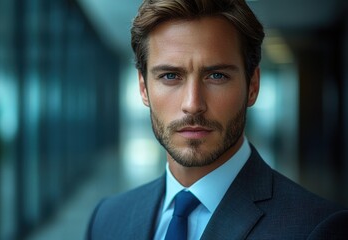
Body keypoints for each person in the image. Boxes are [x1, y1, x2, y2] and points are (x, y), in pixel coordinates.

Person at [87, 0, 348, 239]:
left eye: (216, 76)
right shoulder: (107, 219)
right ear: (144, 89)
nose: (192, 104)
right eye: (170, 76)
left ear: (253, 86)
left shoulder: (316, 229)